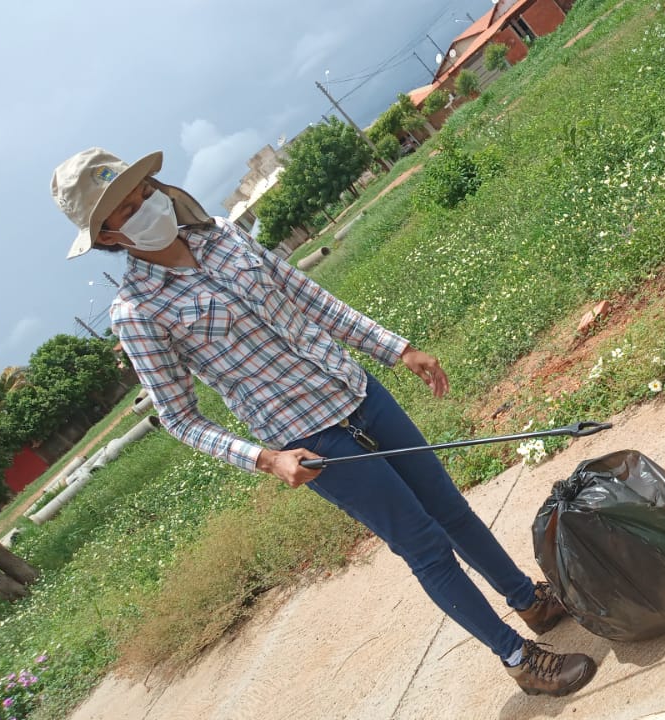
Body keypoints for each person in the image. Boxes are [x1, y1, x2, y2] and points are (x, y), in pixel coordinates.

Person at [51, 148, 596, 697]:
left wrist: (395, 348)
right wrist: (265, 458)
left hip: (356, 388)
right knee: (423, 544)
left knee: (448, 507)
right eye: (124, 209)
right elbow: (179, 418)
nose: (145, 206)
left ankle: (529, 601)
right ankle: (518, 658)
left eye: (143, 192)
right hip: (310, 439)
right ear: (109, 237)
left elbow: (306, 295)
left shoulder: (221, 235)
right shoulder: (138, 312)